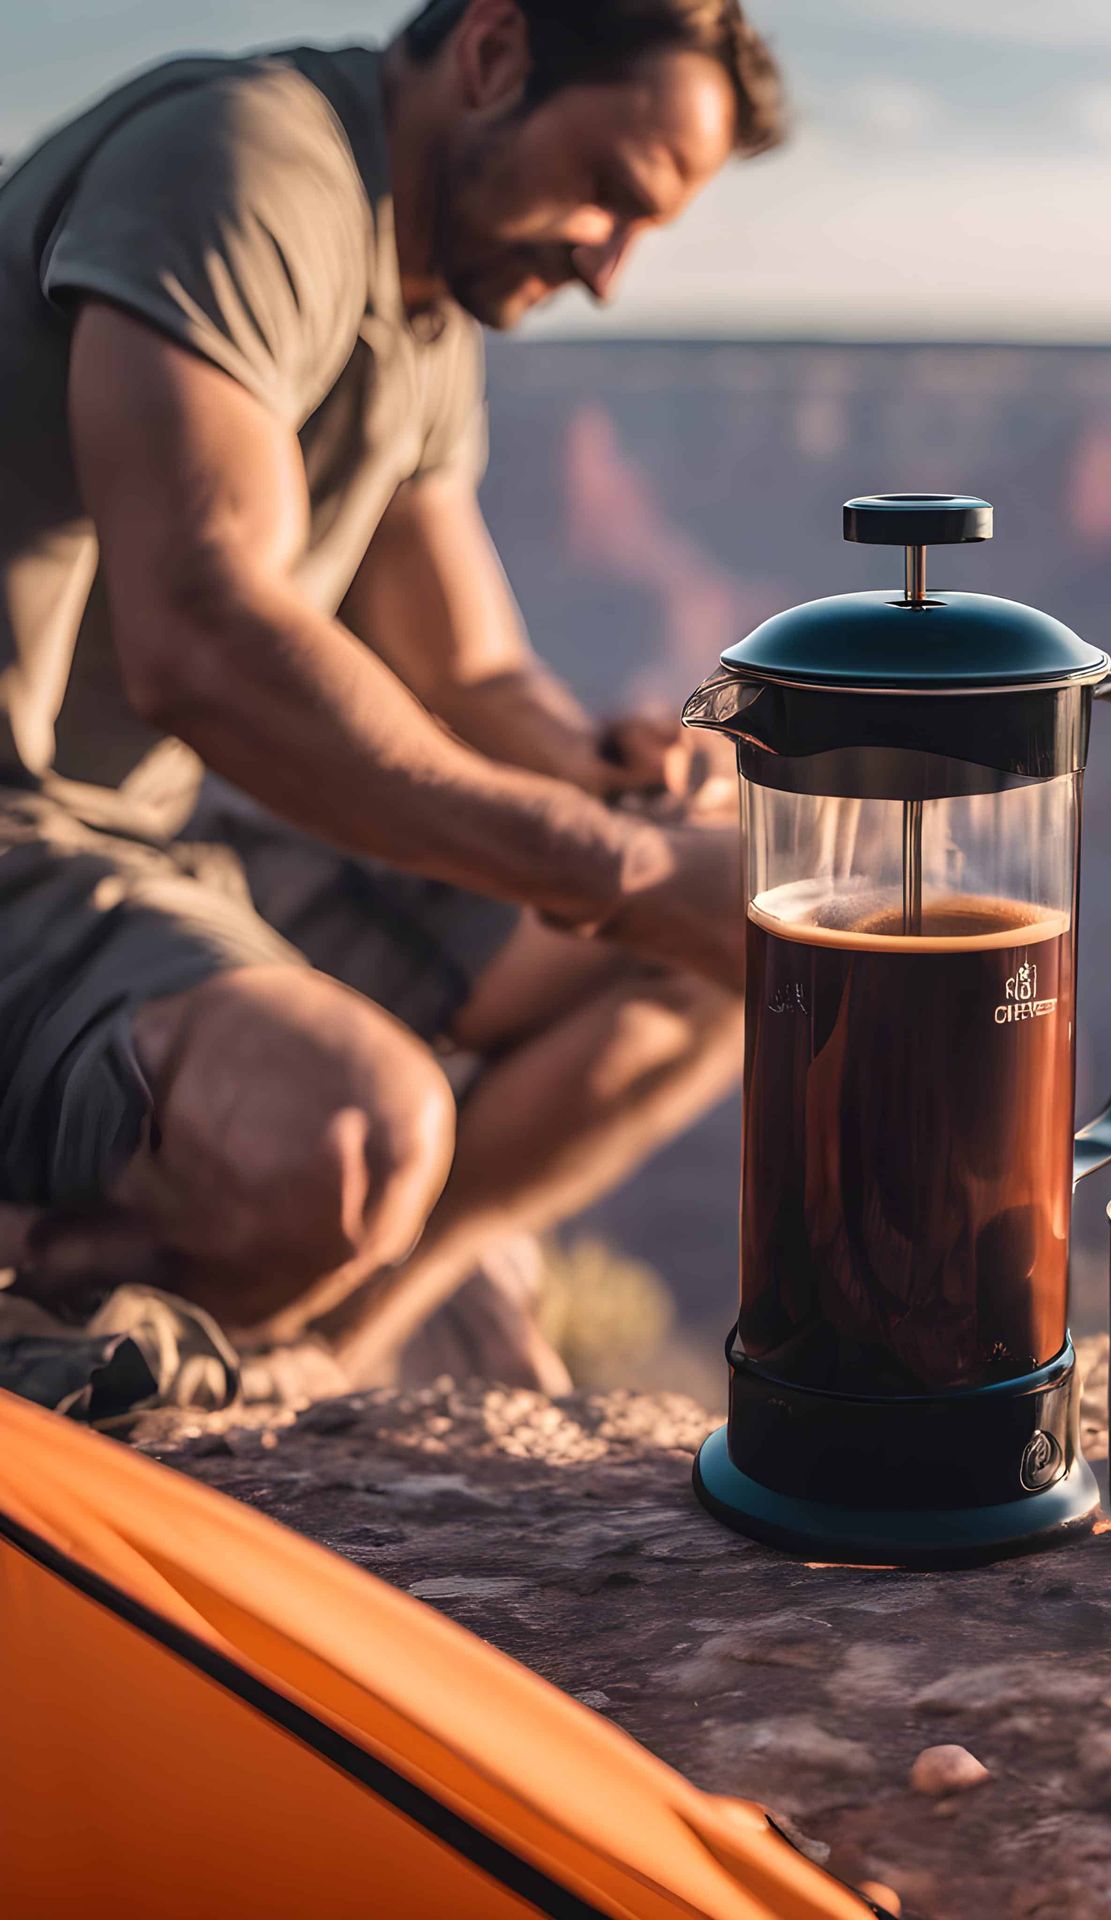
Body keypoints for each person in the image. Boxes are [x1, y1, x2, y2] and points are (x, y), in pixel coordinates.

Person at [0, 0, 785, 1407]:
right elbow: (206, 636)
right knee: (356, 1135)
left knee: (734, 943)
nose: (608, 269)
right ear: (495, 52)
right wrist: (614, 866)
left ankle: (346, 1334)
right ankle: (41, 1303)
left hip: (145, 838)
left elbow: (466, 669)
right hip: (19, 843)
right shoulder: (249, 171)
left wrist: (606, 781)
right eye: (608, 193)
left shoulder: (426, 286)